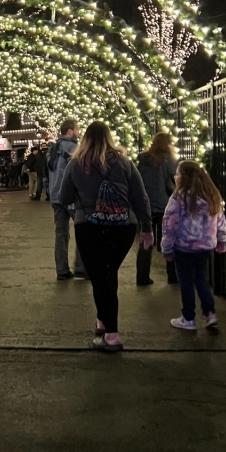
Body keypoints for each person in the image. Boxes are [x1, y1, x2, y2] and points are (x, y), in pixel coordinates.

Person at [59, 121, 153, 353]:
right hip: (123, 226)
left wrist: (83, 199)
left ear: (85, 139)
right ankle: (103, 320)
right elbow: (140, 197)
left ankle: (111, 335)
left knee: (100, 277)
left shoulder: (76, 164)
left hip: (89, 227)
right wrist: (147, 227)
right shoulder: (125, 163)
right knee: (109, 273)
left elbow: (64, 197)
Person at [161, 160, 226, 330]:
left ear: (184, 177)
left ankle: (188, 318)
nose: (175, 176)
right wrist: (222, 240)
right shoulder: (211, 196)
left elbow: (170, 225)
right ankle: (210, 312)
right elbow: (221, 221)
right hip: (205, 246)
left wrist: (166, 248)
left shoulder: (178, 198)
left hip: (184, 247)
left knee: (186, 282)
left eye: (177, 173)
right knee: (201, 278)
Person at [135, 132, 179, 285]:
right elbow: (175, 177)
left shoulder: (143, 159)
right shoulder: (168, 160)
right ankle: (172, 275)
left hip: (146, 205)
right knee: (168, 239)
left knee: (145, 241)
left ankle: (142, 276)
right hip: (163, 205)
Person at [46, 120, 87, 280]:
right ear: (70, 131)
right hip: (71, 197)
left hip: (55, 196)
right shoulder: (74, 148)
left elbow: (47, 172)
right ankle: (81, 267)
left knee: (61, 233)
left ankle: (62, 270)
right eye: (77, 129)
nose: (78, 132)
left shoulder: (52, 148)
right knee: (82, 230)